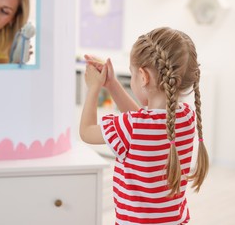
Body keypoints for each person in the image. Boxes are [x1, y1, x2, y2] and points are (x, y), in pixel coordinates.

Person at [80, 27, 209, 224]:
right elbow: (142, 121)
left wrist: (93, 88)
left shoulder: (131, 127)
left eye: (131, 75)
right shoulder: (187, 118)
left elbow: (87, 132)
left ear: (143, 76)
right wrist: (113, 84)